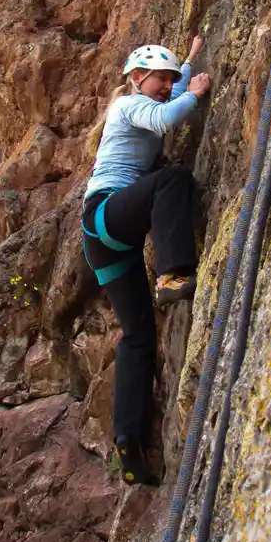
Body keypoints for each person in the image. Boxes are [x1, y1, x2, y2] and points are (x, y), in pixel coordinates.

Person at [81, 36, 211, 485]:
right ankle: (174, 273)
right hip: (105, 215)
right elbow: (165, 115)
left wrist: (187, 67)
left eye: (171, 79)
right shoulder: (127, 105)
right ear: (138, 78)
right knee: (171, 178)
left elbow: (170, 100)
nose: (167, 85)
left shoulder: (150, 97)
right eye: (161, 77)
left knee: (138, 337)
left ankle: (128, 445)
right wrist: (192, 93)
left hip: (106, 239)